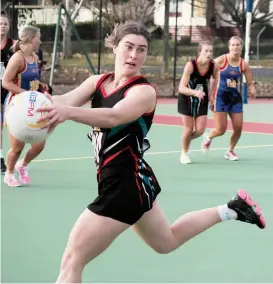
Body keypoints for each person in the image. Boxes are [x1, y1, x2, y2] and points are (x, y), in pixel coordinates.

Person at [37, 22, 265, 283]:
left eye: (141, 50)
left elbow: (115, 115)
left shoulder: (143, 91)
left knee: (72, 260)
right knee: (166, 241)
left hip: (123, 188)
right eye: (129, 47)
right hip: (135, 179)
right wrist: (30, 100)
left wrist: (67, 113)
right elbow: (62, 102)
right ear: (114, 46)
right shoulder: (96, 82)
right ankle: (232, 209)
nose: (134, 55)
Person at [2, 25, 49, 187]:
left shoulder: (35, 58)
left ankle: (22, 165)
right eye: (38, 37)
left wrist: (43, 89)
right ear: (30, 38)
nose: (40, 40)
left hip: (33, 104)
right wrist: (24, 93)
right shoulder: (17, 58)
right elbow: (6, 82)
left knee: (39, 144)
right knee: (17, 147)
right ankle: (8, 174)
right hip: (17, 104)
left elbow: (35, 81)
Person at [201, 36, 256, 161]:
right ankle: (208, 137)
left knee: (238, 127)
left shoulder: (243, 64)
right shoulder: (221, 60)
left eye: (238, 45)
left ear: (241, 47)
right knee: (221, 129)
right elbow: (208, 73)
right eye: (233, 45)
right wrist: (208, 91)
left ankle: (230, 151)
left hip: (234, 98)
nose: (235, 47)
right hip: (219, 97)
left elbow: (249, 82)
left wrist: (252, 88)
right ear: (229, 47)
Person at [177, 41, 219, 164]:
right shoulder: (190, 66)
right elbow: (181, 88)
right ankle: (184, 153)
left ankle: (185, 140)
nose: (209, 53)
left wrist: (211, 94)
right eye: (206, 51)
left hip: (202, 99)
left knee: (200, 130)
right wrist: (195, 93)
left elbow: (215, 78)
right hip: (187, 99)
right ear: (199, 52)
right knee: (189, 128)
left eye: (211, 51)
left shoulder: (213, 66)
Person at [0, 10, 15, 173]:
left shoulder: (14, 45)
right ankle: (0, 158)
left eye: (4, 23)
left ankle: (14, 156)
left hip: (10, 89)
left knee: (12, 125)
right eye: (0, 23)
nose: (2, 26)